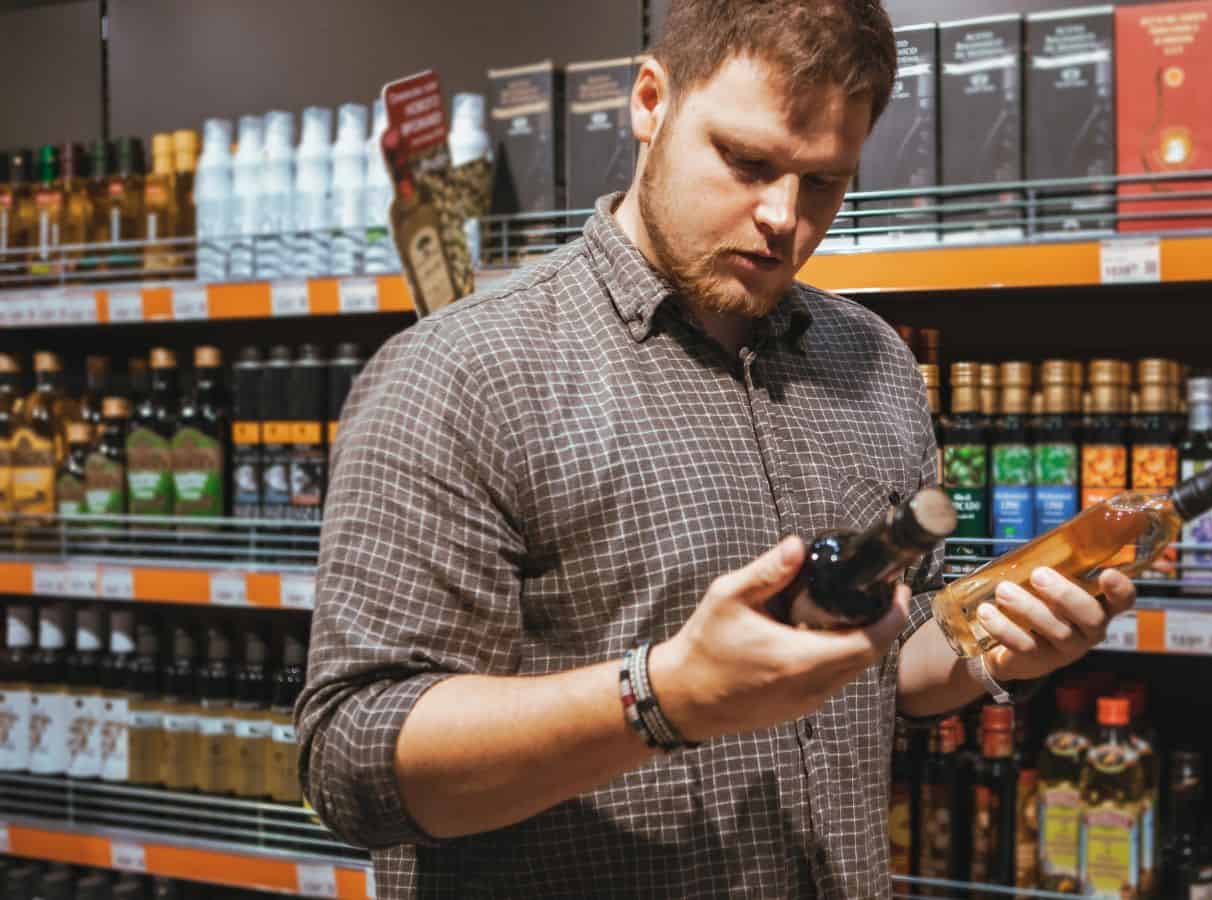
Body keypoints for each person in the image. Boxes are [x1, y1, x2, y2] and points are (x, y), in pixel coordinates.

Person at [298, 1, 1136, 896]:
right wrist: (661, 696)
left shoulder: (874, 361)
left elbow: (886, 663)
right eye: (746, 162)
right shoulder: (463, 371)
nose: (783, 217)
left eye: (824, 181)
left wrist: (987, 647)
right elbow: (353, 762)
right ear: (651, 102)